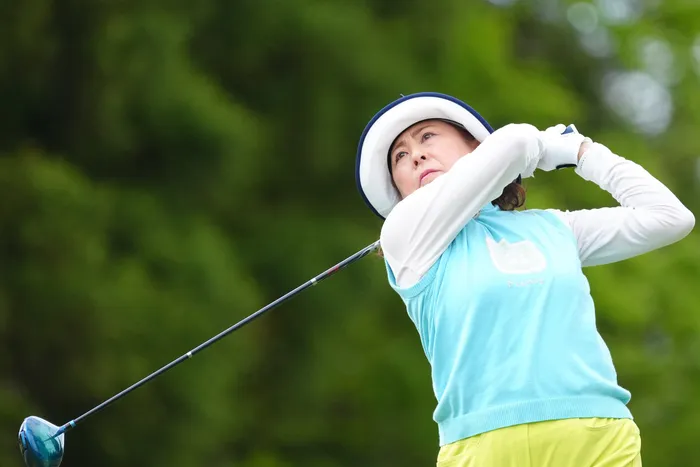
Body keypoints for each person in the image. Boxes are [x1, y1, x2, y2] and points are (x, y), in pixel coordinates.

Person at [354, 92, 695, 466]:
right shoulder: (404, 239)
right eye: (400, 156)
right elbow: (517, 141)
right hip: (481, 448)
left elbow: (670, 218)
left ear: (476, 146)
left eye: (427, 136)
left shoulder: (556, 228)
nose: (416, 155)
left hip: (598, 436)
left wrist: (583, 153)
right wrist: (546, 147)